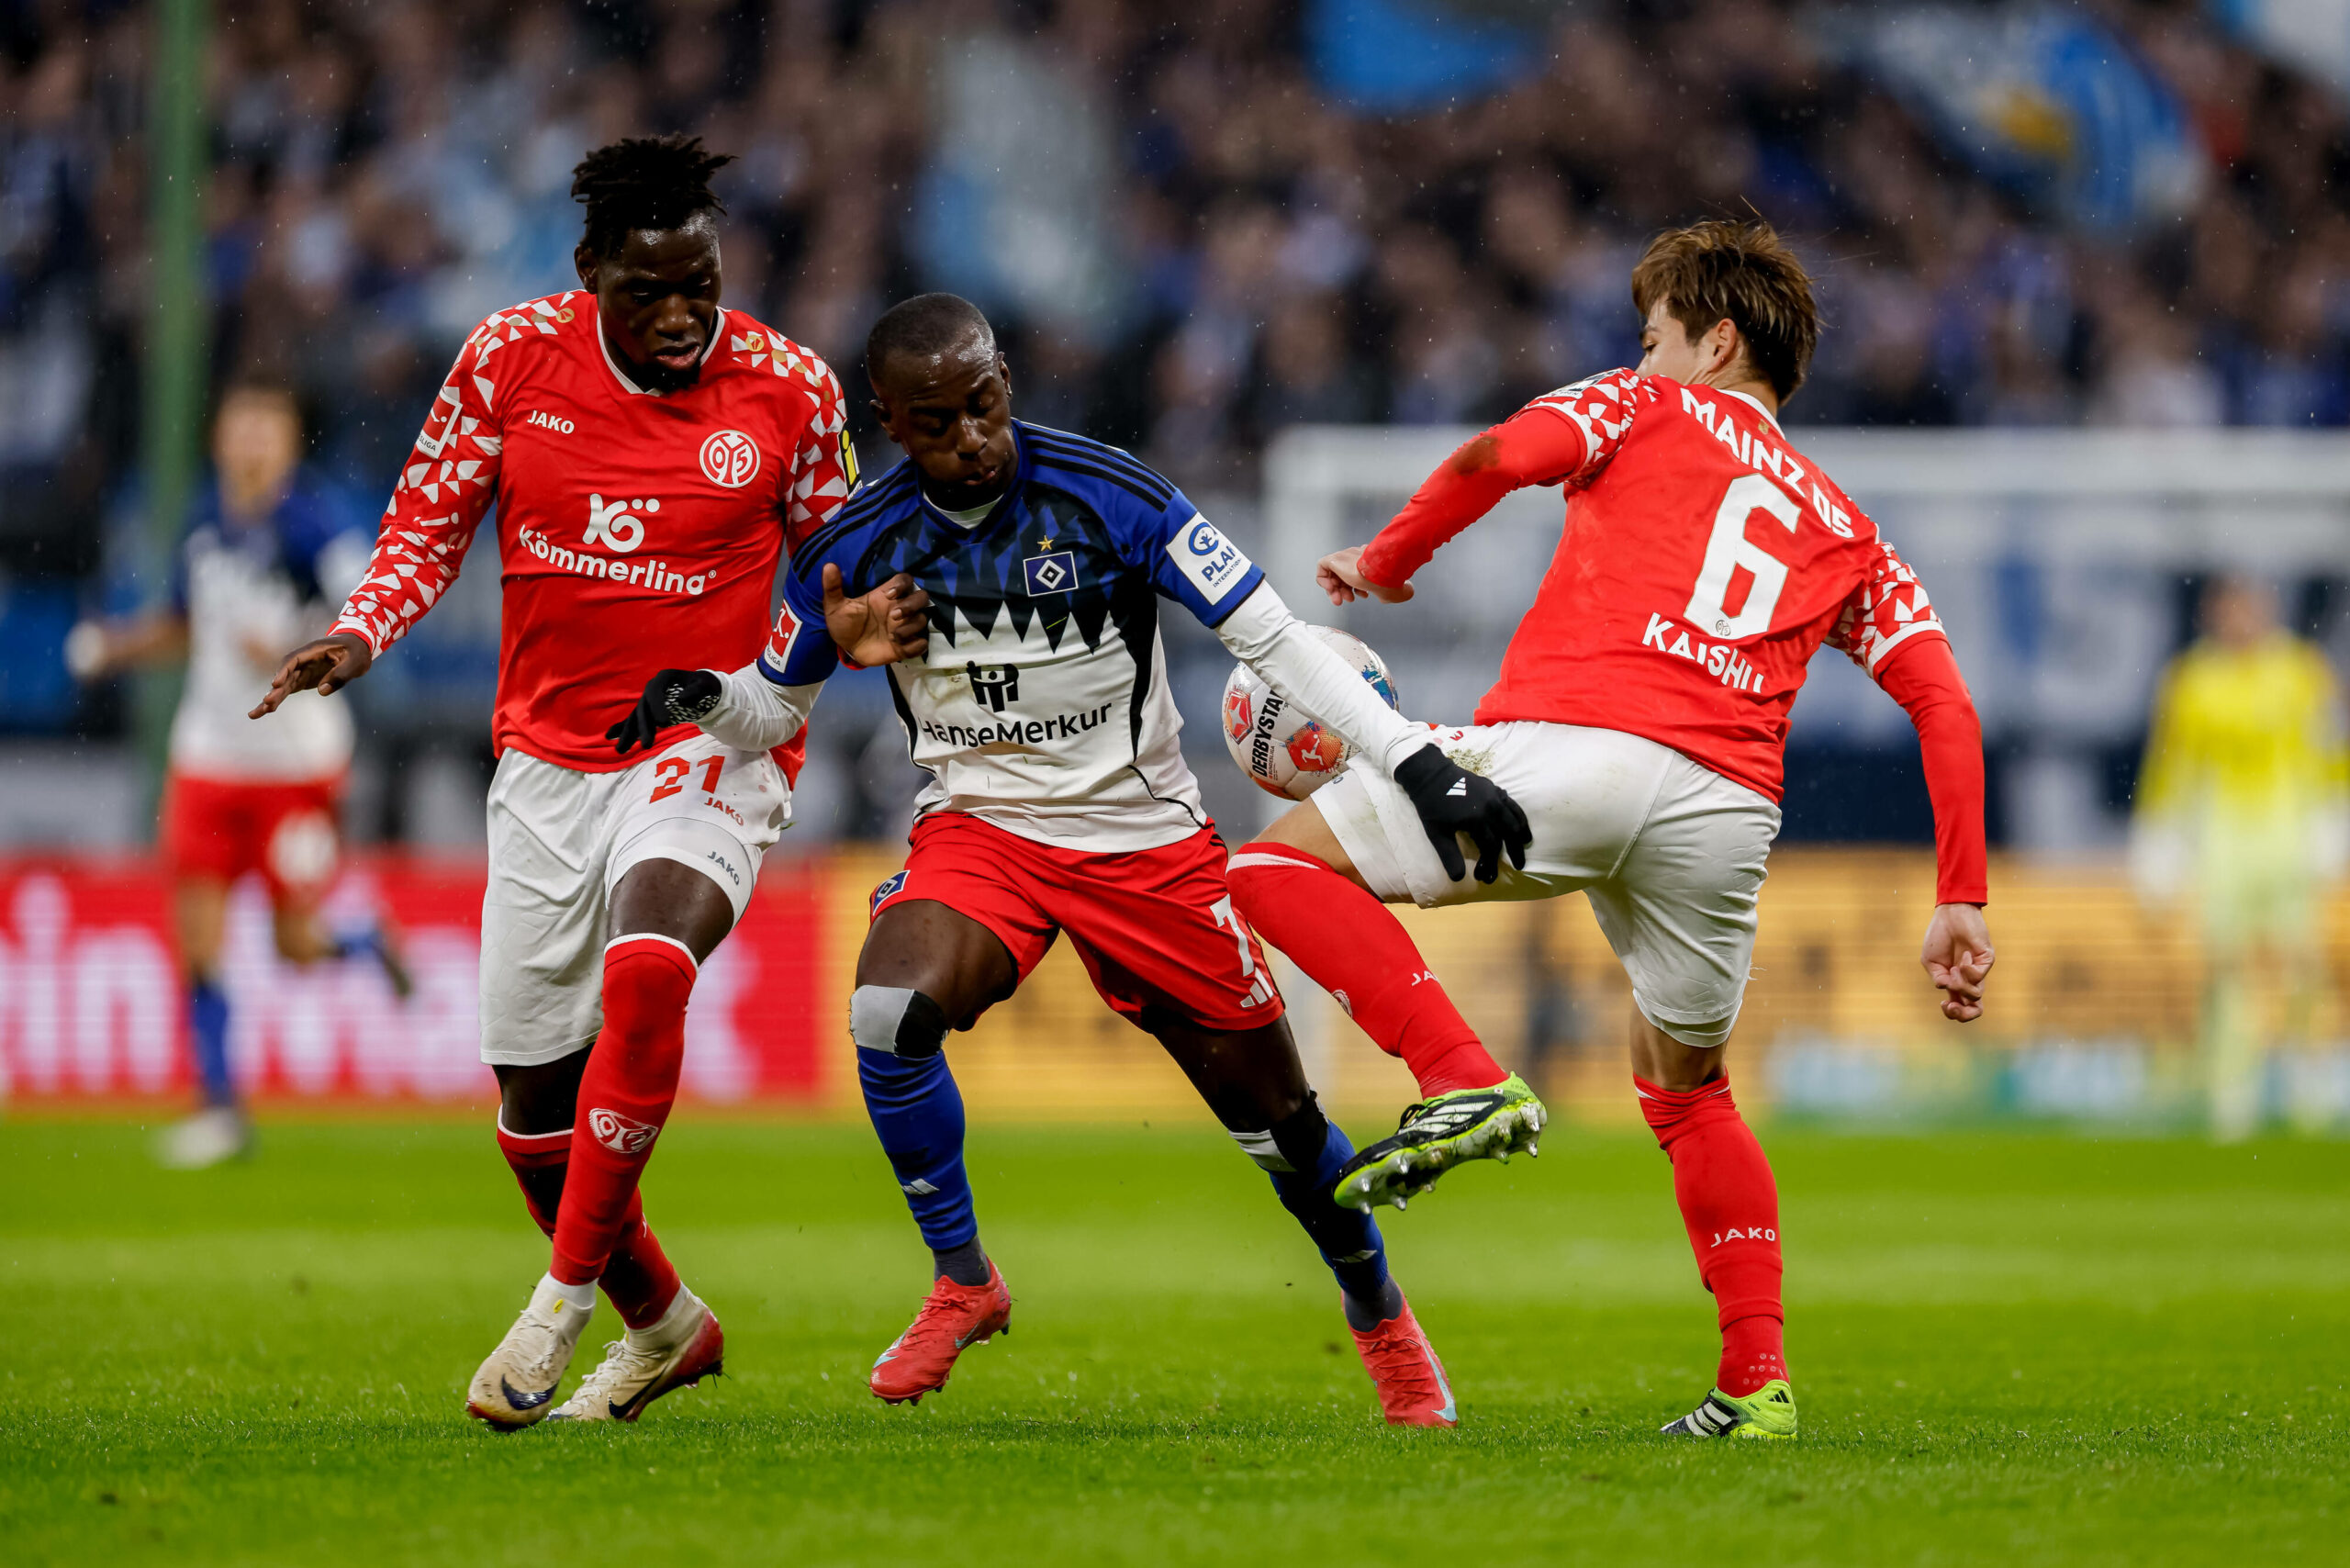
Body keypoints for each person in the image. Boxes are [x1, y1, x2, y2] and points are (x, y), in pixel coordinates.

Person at [609, 292, 1532, 1426]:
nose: (972, 437)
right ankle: (963, 1280)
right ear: (891, 423)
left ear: (1005, 381)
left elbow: (1277, 641)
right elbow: (770, 707)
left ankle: (1378, 1309)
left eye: (984, 404)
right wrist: (702, 695)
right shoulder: (855, 545)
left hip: (1143, 843)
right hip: (981, 831)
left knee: (1287, 1135)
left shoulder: (1113, 495)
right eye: (938, 422)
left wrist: (1415, 763)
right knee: (886, 1014)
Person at [1225, 218, 1998, 1442]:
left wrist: (1387, 557)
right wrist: (1960, 895)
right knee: (1688, 1089)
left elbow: (1497, 454)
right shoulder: (1850, 532)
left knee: (1270, 867)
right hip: (1726, 813)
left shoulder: (1641, 406)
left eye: (1653, 336)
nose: (1642, 356)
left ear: (1714, 342)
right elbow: (1944, 703)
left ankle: (1461, 1077)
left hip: (1578, 750)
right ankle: (1757, 1385)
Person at [250, 134, 895, 1428]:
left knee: (649, 968)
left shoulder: (790, 388)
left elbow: (842, 572)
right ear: (590, 268)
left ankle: (555, 1310)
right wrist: (360, 634)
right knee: (533, 1118)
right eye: (648, 290)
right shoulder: (507, 358)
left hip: (713, 738)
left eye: (701, 285)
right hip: (547, 760)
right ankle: (667, 1325)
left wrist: (851, 632)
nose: (681, 315)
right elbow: (426, 521)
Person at [66, 383, 410, 1170]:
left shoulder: (315, 525)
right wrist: (114, 648)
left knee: (294, 945)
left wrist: (296, 643)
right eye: (241, 426)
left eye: (267, 427)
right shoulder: (203, 524)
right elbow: (188, 628)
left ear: (289, 442)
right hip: (209, 758)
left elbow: (369, 610)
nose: (252, 441)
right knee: (198, 936)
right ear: (220, 438)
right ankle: (220, 1109)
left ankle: (361, 941)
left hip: (296, 767)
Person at [2132, 576, 2348, 1140]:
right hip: (2223, 841)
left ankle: (2309, 1083)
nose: (2239, 621)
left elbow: (2329, 747)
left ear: (2266, 610)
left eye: (2248, 609)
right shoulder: (2191, 680)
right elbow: (2173, 763)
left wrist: (2334, 819)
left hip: (2288, 835)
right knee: (2226, 967)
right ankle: (2232, 1093)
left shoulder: (2300, 672)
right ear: (2212, 616)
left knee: (2302, 963)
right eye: (2228, 611)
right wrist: (2159, 839)